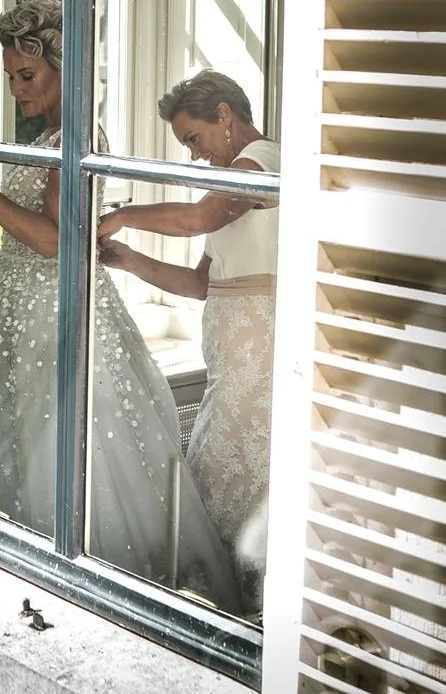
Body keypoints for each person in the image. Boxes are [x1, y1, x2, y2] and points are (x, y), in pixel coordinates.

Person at [0, 0, 239, 609]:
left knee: (61, 453)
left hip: (52, 314)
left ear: (64, 67)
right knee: (19, 448)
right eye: (9, 76)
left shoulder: (79, 133)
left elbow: (59, 243)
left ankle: (72, 593)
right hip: (21, 315)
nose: (14, 89)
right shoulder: (57, 133)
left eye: (26, 75)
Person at [96, 69, 279, 614]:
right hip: (231, 360)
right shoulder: (234, 183)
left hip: (258, 359)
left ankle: (239, 603)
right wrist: (129, 260)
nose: (195, 155)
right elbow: (201, 283)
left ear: (224, 115)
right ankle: (233, 601)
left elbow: (198, 218)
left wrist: (124, 216)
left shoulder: (264, 164)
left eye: (193, 139)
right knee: (220, 479)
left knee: (218, 478)